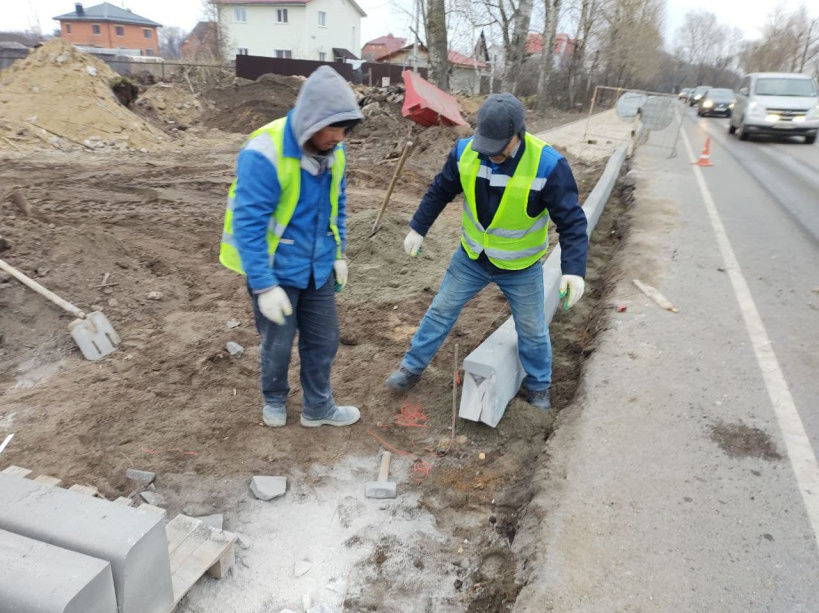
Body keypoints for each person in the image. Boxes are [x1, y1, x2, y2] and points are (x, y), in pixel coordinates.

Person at [386, 93, 589, 410]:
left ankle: (539, 388)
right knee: (440, 311)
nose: (491, 154)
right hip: (471, 258)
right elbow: (440, 190)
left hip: (521, 267)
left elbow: (572, 222)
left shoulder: (548, 165)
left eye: (499, 147)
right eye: (486, 145)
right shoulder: (466, 152)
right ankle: (411, 368)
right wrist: (418, 227)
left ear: (517, 135)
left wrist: (574, 270)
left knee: (533, 331)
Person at [219, 66, 363, 428]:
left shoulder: (335, 151)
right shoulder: (264, 152)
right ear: (313, 120)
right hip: (275, 267)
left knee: (325, 341)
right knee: (278, 344)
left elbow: (338, 205)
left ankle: (318, 408)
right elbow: (248, 225)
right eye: (334, 127)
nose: (340, 137)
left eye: (345, 128)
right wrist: (264, 285)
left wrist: (339, 253)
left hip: (317, 266)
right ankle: (274, 398)